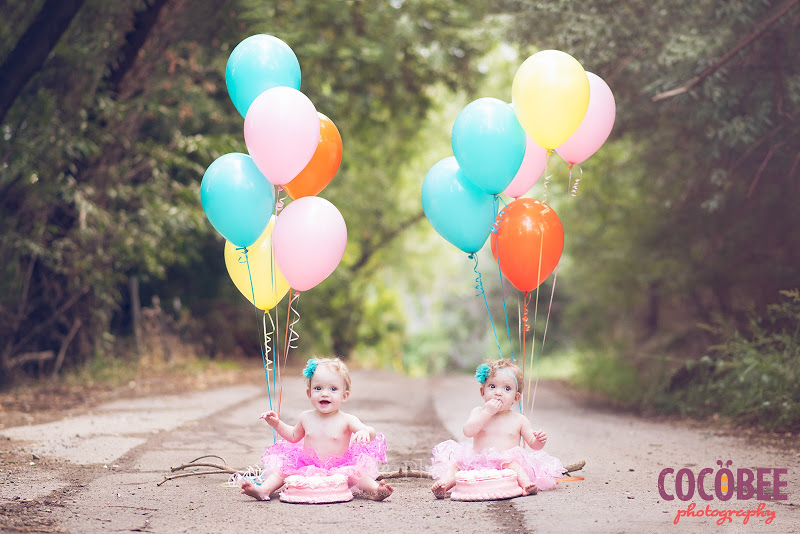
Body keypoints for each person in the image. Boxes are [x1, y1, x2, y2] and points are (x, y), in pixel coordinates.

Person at [240, 357, 393, 501]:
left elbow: (370, 431)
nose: (324, 393)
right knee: (282, 471)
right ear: (309, 393)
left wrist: (365, 432)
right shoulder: (305, 417)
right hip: (306, 465)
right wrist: (276, 423)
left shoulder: (347, 419)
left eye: (333, 389)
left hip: (339, 467)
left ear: (344, 396)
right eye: (318, 388)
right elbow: (293, 436)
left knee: (356, 474)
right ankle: (264, 490)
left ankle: (376, 490)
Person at [430, 359, 565, 498]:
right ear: (483, 392)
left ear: (516, 397)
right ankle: (444, 485)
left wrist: (539, 440)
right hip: (477, 459)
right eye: (492, 386)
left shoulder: (519, 420)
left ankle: (526, 485)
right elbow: (468, 432)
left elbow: (533, 444)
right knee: (457, 466)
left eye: (507, 389)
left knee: (514, 465)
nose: (498, 393)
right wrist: (487, 413)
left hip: (505, 462)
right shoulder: (478, 412)